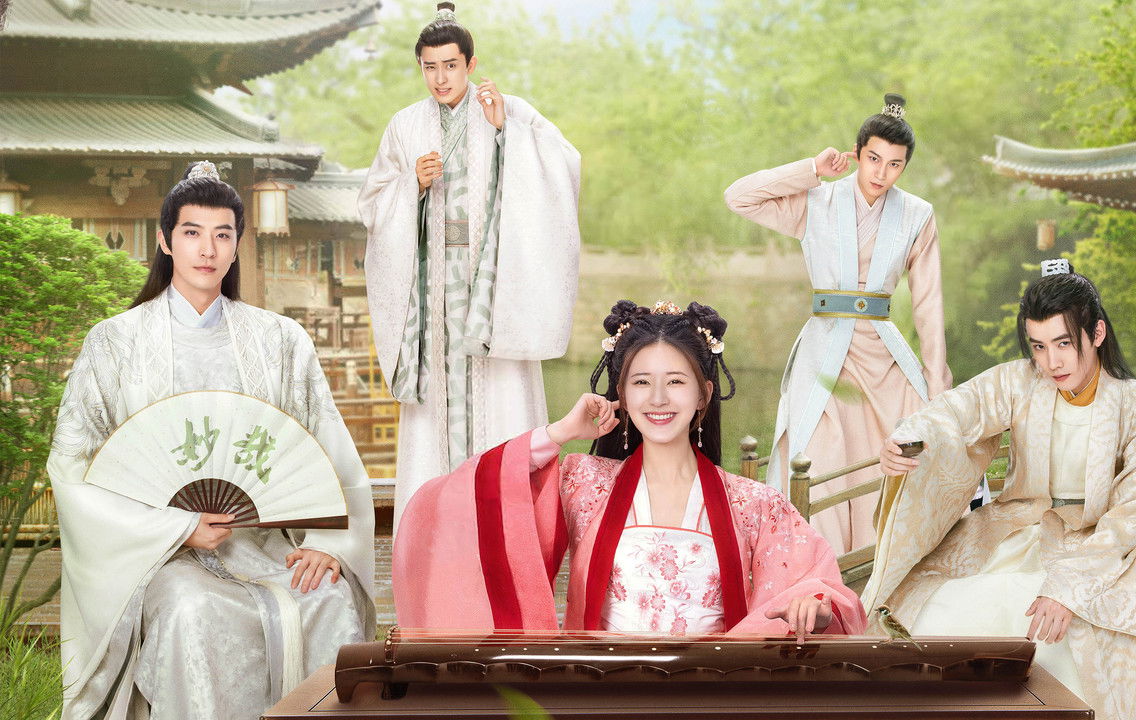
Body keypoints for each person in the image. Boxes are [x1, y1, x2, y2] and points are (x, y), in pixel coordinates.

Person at [48, 163, 375, 720]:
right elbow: (72, 468)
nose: (208, 249)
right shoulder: (115, 343)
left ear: (237, 244)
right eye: (192, 233)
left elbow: (328, 449)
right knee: (192, 609)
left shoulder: (280, 340)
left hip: (267, 544)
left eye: (223, 234)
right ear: (165, 241)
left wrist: (331, 543)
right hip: (159, 554)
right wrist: (176, 527)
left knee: (327, 598)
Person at [866, 263, 1136, 719]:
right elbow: (957, 411)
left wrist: (1067, 588)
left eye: (1063, 344)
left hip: (1108, 543)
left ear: (1096, 333)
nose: (1051, 362)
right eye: (1038, 346)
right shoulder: (1018, 382)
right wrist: (909, 439)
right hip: (1018, 525)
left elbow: (1132, 515)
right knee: (935, 610)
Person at [393, 300, 867, 638]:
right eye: (641, 382)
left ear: (703, 394)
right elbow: (467, 503)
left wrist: (814, 609)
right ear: (622, 390)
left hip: (713, 697)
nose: (658, 400)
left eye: (675, 382)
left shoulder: (754, 503)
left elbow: (820, 586)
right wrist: (559, 432)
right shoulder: (583, 482)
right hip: (603, 697)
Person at [358, 2, 581, 529]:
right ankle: (434, 530)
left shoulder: (508, 109)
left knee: (499, 403)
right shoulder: (404, 125)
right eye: (430, 67)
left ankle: (507, 530)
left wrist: (507, 135)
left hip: (492, 296)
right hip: (432, 298)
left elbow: (564, 166)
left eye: (451, 65)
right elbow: (370, 204)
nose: (441, 77)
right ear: (421, 68)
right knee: (435, 415)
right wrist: (410, 184)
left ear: (471, 63)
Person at [723, 93, 952, 554]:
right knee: (818, 455)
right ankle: (822, 569)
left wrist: (937, 375)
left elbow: (928, 302)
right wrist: (811, 168)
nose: (880, 173)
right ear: (857, 153)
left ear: (904, 167)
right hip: (826, 347)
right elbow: (738, 197)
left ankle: (885, 565)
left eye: (894, 164)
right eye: (872, 158)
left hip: (883, 352)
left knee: (897, 449)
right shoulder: (817, 201)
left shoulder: (916, 214)